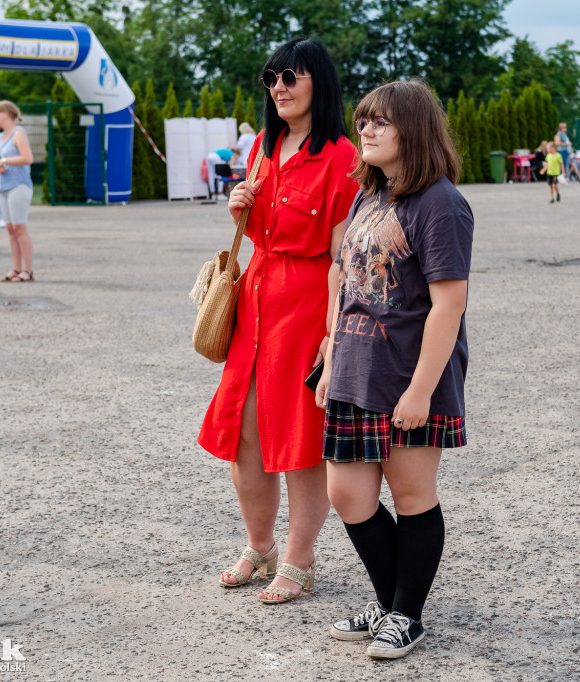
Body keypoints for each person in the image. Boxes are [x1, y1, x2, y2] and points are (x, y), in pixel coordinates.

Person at [198, 37, 360, 604]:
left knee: (298, 437)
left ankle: (300, 556)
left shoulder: (341, 155)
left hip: (306, 304)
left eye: (291, 76)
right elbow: (257, 226)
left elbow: (343, 256)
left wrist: (333, 333)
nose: (280, 88)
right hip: (257, 296)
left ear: (319, 81)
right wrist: (237, 206)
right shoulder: (263, 147)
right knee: (244, 431)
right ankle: (260, 545)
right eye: (272, 78)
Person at [315, 78, 473, 661]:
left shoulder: (441, 203)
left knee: (411, 496)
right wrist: (330, 358)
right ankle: (390, 605)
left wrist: (421, 391)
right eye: (364, 120)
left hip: (410, 375)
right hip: (355, 368)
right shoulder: (369, 195)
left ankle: (407, 614)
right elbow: (345, 286)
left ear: (415, 129)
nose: (367, 129)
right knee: (347, 496)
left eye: (381, 121)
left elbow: (449, 303)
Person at [0, 101, 35, 282]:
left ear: (6, 114)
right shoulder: (0, 137)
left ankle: (28, 270)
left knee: (20, 227)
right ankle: (16, 268)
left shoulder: (18, 133)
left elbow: (27, 158)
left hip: (18, 185)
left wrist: (4, 160)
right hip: (2, 186)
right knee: (10, 229)